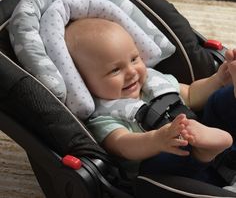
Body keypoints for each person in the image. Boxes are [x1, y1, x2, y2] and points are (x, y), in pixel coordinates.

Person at [65, 17, 234, 182]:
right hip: (173, 174)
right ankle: (205, 151)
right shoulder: (102, 117)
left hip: (201, 132)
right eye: (115, 70)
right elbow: (122, 144)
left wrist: (218, 80)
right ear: (83, 81)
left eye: (134, 59)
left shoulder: (154, 82)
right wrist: (157, 140)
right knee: (165, 158)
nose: (131, 72)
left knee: (217, 99)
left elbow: (191, 94)